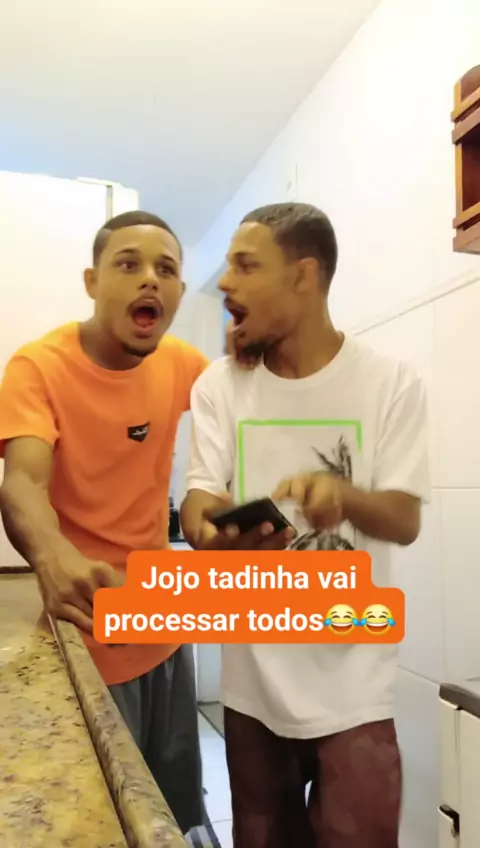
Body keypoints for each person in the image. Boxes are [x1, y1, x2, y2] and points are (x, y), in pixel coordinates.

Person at [180, 202, 430, 848]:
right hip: (252, 685)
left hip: (356, 685)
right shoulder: (219, 386)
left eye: (245, 265)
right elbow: (198, 500)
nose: (225, 282)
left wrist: (344, 497)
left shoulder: (390, 382)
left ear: (304, 275)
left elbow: (403, 518)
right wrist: (213, 535)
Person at [0, 210, 211, 834]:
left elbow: (248, 417)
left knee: (172, 815)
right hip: (88, 637)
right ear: (92, 281)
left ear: (178, 292)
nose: (150, 279)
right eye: (128, 263)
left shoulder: (185, 364)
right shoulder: (37, 367)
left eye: (166, 269)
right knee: (103, 823)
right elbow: (23, 482)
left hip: (165, 632)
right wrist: (51, 554)